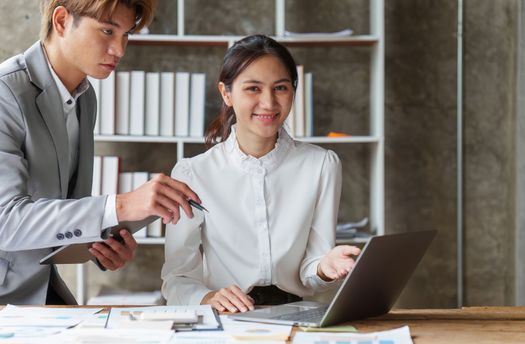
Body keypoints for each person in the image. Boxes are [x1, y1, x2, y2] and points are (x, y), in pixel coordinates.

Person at [0, 0, 200, 305]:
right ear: (62, 21)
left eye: (126, 35)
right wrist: (119, 207)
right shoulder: (6, 94)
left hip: (37, 291)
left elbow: (63, 209)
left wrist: (98, 241)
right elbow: (5, 222)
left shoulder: (84, 98)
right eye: (107, 31)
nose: (119, 50)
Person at [161, 34, 361, 313]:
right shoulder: (192, 173)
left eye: (280, 88)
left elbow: (312, 274)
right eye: (253, 88)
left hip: (300, 315)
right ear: (226, 93)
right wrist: (208, 298)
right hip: (226, 317)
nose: (268, 103)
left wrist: (325, 268)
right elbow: (177, 277)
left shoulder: (322, 165)